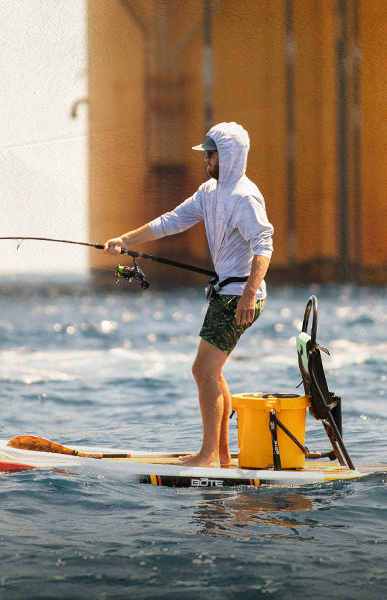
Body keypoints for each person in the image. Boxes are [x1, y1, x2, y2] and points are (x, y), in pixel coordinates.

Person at [104, 122, 274, 468]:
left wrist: (249, 294)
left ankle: (208, 455)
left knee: (203, 371)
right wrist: (124, 240)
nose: (205, 159)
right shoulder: (209, 193)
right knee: (213, 372)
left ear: (225, 157)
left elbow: (264, 246)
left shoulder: (245, 196)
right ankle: (222, 456)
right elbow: (171, 221)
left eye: (209, 154)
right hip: (228, 291)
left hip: (240, 295)